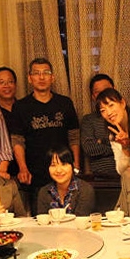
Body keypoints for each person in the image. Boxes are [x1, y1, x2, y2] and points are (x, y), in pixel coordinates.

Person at [10, 58, 80, 211]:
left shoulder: (65, 103)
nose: (41, 77)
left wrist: (76, 163)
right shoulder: (21, 106)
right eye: (36, 73)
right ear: (30, 78)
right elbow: (17, 140)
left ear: (52, 77)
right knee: (41, 217)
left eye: (46, 73)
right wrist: (23, 168)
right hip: (35, 173)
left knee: (71, 214)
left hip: (64, 170)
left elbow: (74, 136)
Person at [36, 146, 96, 216]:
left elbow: (81, 220)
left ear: (73, 165)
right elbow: (43, 220)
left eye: (64, 164)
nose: (58, 170)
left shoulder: (85, 190)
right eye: (53, 165)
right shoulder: (44, 192)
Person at [79, 73, 117, 178]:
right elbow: (89, 148)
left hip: (128, 175)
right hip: (100, 177)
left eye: (106, 90)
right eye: (97, 92)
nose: (103, 95)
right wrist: (116, 147)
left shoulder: (123, 116)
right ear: (93, 97)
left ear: (114, 90)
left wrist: (102, 142)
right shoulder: (89, 120)